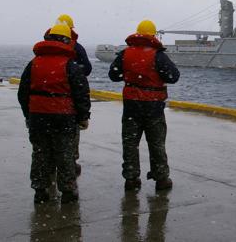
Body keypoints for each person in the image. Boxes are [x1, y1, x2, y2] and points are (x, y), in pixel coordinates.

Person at [18, 23, 91, 204]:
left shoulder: (33, 63)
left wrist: (29, 114)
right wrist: (83, 117)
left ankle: (40, 191)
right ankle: (67, 192)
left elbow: (22, 93)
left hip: (38, 116)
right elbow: (81, 93)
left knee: (40, 153)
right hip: (63, 116)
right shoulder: (70, 65)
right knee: (65, 154)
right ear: (67, 40)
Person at [109, 19, 180, 191]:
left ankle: (131, 179)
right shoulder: (158, 55)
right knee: (156, 143)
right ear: (154, 35)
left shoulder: (125, 53)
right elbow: (173, 76)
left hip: (131, 106)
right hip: (153, 107)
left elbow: (113, 75)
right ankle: (161, 178)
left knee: (130, 143)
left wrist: (131, 76)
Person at [45, 14, 91, 176]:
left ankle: (46, 172)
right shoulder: (76, 48)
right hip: (66, 104)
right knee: (69, 138)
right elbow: (86, 71)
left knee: (45, 142)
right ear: (71, 30)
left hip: (42, 107)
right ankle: (70, 166)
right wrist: (84, 115)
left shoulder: (42, 52)